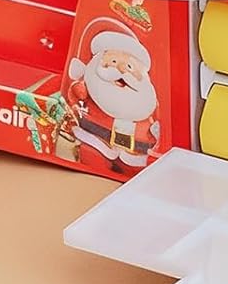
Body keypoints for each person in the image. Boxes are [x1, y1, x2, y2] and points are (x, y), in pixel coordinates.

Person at [64, 28, 161, 174]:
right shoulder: (90, 89)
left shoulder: (146, 102)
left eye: (129, 67)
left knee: (135, 170)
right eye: (114, 61)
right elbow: (75, 96)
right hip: (96, 139)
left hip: (136, 152)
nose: (121, 70)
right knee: (92, 155)